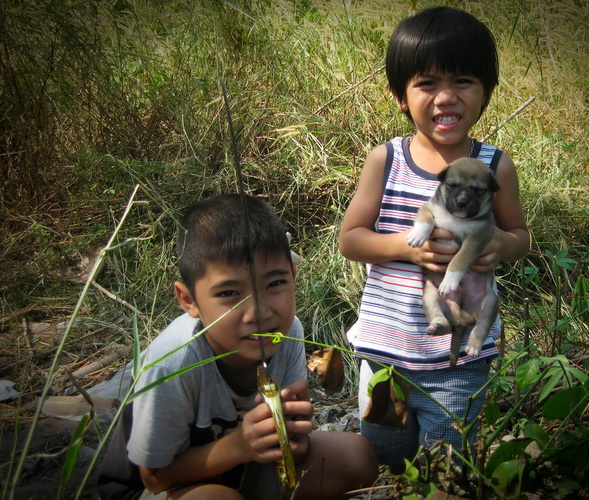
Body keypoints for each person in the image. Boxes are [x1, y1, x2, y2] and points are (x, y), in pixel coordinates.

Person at [339, 7, 530, 471]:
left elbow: (520, 236)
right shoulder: (385, 160)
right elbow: (351, 239)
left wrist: (502, 246)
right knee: (384, 460)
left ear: (486, 90)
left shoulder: (495, 165)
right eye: (426, 83)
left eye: (463, 80)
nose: (446, 97)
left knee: (449, 467)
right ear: (400, 96)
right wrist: (406, 247)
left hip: (458, 363)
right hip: (387, 353)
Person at [98, 193, 378, 499]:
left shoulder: (287, 332)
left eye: (274, 284)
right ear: (188, 300)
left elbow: (290, 453)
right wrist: (239, 446)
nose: (258, 312)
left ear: (293, 274)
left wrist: (294, 439)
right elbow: (153, 478)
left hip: (247, 469)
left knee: (356, 457)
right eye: (230, 292)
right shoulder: (174, 361)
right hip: (166, 488)